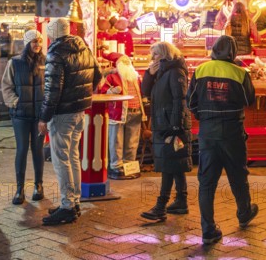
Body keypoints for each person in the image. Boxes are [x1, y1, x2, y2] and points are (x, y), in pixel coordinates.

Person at [187, 35, 258, 244]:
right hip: (232, 131)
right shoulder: (239, 72)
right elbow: (249, 100)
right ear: (233, 52)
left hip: (208, 131)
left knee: (207, 181)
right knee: (238, 175)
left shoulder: (200, 70)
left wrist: (204, 116)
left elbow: (190, 101)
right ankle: (244, 213)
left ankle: (208, 229)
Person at [38, 18, 101, 226]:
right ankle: (73, 202)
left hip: (62, 113)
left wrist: (44, 118)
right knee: (73, 156)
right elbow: (97, 75)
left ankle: (67, 206)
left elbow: (52, 89)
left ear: (54, 32)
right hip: (79, 111)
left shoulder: (56, 53)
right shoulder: (83, 47)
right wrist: (82, 94)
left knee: (61, 159)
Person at [140, 42, 192, 220]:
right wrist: (149, 74)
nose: (152, 58)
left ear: (164, 55)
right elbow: (145, 91)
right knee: (175, 162)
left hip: (171, 126)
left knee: (169, 164)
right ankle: (181, 201)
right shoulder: (160, 72)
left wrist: (175, 127)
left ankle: (161, 206)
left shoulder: (175, 71)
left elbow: (180, 99)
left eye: (155, 55)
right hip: (163, 124)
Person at [1, 30, 46, 205]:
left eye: (40, 41)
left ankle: (38, 186)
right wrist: (15, 102)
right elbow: (6, 85)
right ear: (27, 43)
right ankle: (20, 189)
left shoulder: (46, 61)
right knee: (21, 150)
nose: (37, 44)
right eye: (34, 41)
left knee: (38, 149)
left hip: (39, 115)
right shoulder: (15, 62)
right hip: (20, 115)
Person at [99, 52, 143, 180]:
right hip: (118, 113)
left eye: (127, 61)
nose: (127, 64)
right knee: (116, 140)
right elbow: (103, 92)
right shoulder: (112, 77)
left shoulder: (136, 77)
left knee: (132, 140)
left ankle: (129, 165)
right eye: (124, 62)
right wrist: (111, 91)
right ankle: (116, 166)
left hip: (135, 112)